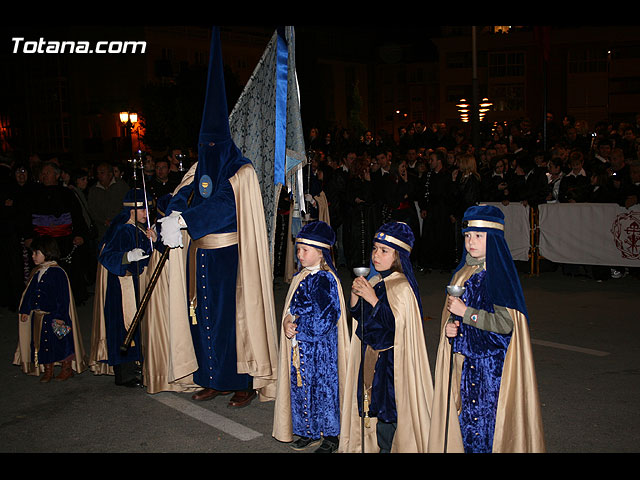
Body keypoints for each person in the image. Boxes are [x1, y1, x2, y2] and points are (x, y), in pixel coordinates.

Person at [158, 27, 278, 408]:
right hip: (201, 256)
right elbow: (185, 191)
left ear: (224, 142)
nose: (208, 150)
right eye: (203, 144)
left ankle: (240, 382)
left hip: (230, 257)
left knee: (232, 319)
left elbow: (226, 206)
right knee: (202, 316)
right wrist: (173, 209)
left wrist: (186, 221)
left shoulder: (240, 171)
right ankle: (210, 377)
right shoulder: (201, 165)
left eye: (214, 143)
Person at [428, 205, 545, 453]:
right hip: (467, 363)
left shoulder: (497, 275)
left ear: (493, 239)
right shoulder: (463, 273)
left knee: (487, 423)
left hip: (491, 368)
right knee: (467, 421)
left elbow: (505, 324)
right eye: (468, 236)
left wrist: (466, 313)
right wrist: (451, 328)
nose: (471, 242)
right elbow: (452, 315)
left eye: (479, 236)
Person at [338, 221, 433, 453]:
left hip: (392, 366)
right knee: (376, 411)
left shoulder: (401, 287)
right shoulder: (376, 281)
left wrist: (372, 299)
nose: (376, 255)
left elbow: (395, 327)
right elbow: (359, 318)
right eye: (375, 249)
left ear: (398, 256)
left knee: (390, 414)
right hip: (373, 360)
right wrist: (355, 296)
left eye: (384, 251)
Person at [272, 221, 349, 453]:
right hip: (301, 349)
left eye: (305, 250)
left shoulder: (326, 280)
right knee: (303, 389)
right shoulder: (301, 276)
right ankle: (308, 430)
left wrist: (298, 327)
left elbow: (325, 319)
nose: (300, 254)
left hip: (321, 351)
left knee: (323, 390)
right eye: (298, 249)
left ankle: (330, 436)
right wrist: (287, 319)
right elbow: (292, 306)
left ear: (321, 253)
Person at [89, 188, 155, 387]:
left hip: (136, 283)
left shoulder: (139, 227)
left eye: (147, 209)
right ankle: (124, 373)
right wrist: (128, 257)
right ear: (131, 210)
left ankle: (135, 364)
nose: (146, 213)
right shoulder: (123, 228)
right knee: (124, 325)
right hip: (122, 285)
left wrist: (153, 240)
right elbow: (106, 254)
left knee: (135, 325)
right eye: (142, 208)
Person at [13, 235, 88, 382]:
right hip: (40, 317)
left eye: (36, 253)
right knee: (42, 344)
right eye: (33, 252)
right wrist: (25, 310)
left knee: (61, 342)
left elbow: (63, 296)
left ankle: (67, 368)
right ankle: (48, 370)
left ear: (47, 252)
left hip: (55, 316)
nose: (33, 256)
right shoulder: (37, 272)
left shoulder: (58, 273)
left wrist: (60, 315)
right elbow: (29, 293)